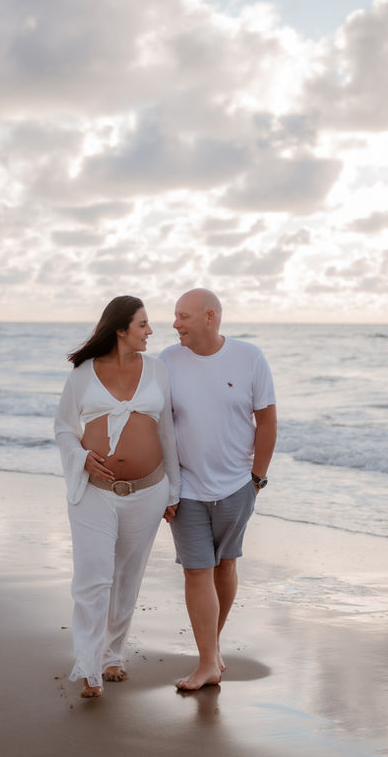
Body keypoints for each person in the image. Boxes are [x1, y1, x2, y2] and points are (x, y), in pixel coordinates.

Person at [54, 296, 180, 699]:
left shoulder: (158, 371)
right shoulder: (83, 375)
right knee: (93, 577)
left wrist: (173, 491)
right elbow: (63, 428)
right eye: (143, 324)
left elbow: (168, 435)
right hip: (94, 492)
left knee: (128, 576)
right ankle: (89, 665)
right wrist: (82, 459)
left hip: (148, 490)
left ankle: (113, 655)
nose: (150, 331)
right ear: (121, 329)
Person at [159, 288, 276, 691]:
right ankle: (208, 661)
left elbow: (267, 421)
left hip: (237, 485)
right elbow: (154, 426)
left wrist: (256, 481)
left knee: (225, 564)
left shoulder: (249, 358)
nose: (175, 324)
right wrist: (165, 486)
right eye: (175, 316)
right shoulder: (167, 362)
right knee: (197, 569)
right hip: (186, 487)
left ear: (210, 316)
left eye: (182, 316)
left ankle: (211, 651)